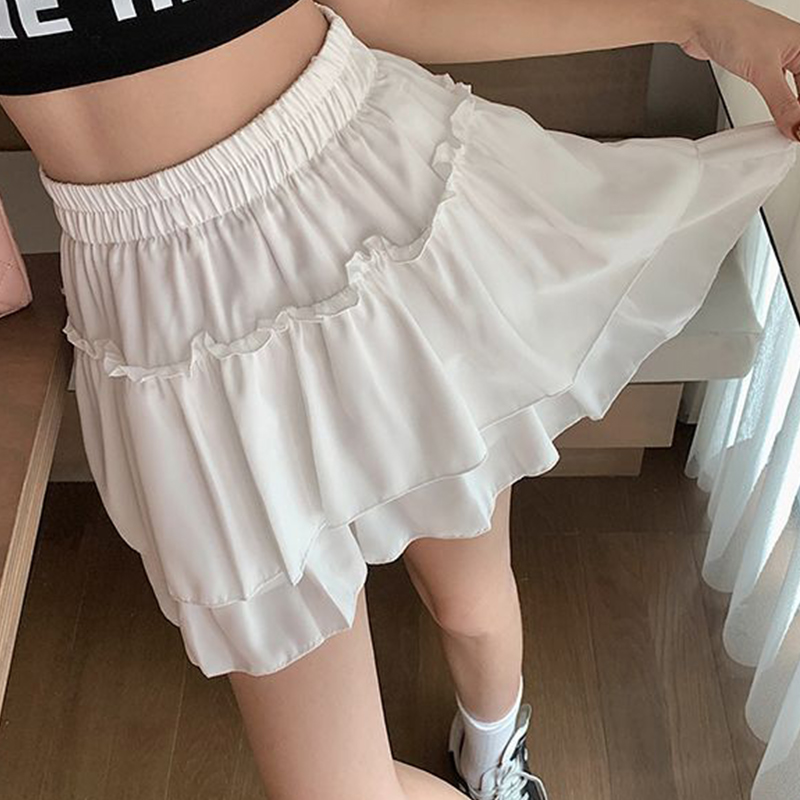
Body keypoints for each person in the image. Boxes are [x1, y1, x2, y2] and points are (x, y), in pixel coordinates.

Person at [1, 1, 797, 799]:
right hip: (165, 315)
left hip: (365, 212)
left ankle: (494, 753)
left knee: (469, 602)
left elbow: (387, 6)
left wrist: (698, 18)